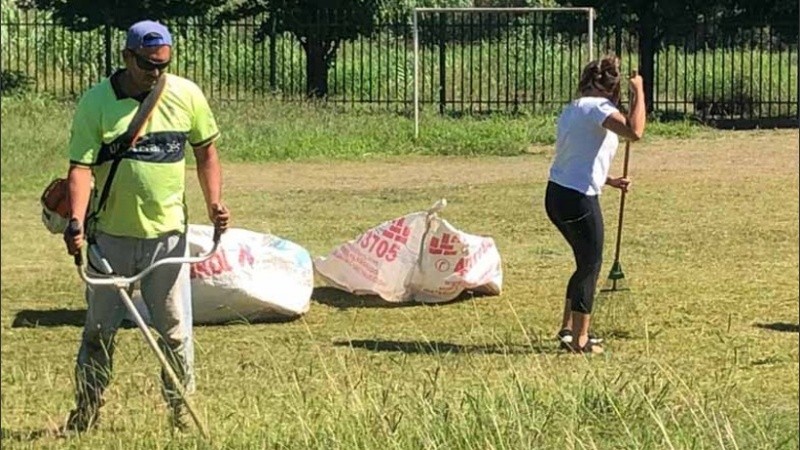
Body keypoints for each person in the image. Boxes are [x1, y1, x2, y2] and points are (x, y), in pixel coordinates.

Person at [63, 20, 230, 432]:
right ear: (127, 57)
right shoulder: (96, 102)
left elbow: (206, 152)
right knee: (98, 332)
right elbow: (81, 168)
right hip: (110, 240)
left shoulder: (186, 94)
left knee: (175, 333)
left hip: (167, 237)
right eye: (147, 64)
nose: (156, 73)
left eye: (163, 64)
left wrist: (214, 204)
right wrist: (76, 221)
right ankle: (85, 411)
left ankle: (182, 415)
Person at [544, 55, 646, 354]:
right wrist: (639, 92)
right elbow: (635, 131)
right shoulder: (598, 109)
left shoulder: (574, 108)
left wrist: (609, 179)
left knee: (583, 264)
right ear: (612, 89)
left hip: (558, 194)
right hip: (577, 199)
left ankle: (568, 329)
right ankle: (580, 340)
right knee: (590, 265)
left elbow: (580, 156)